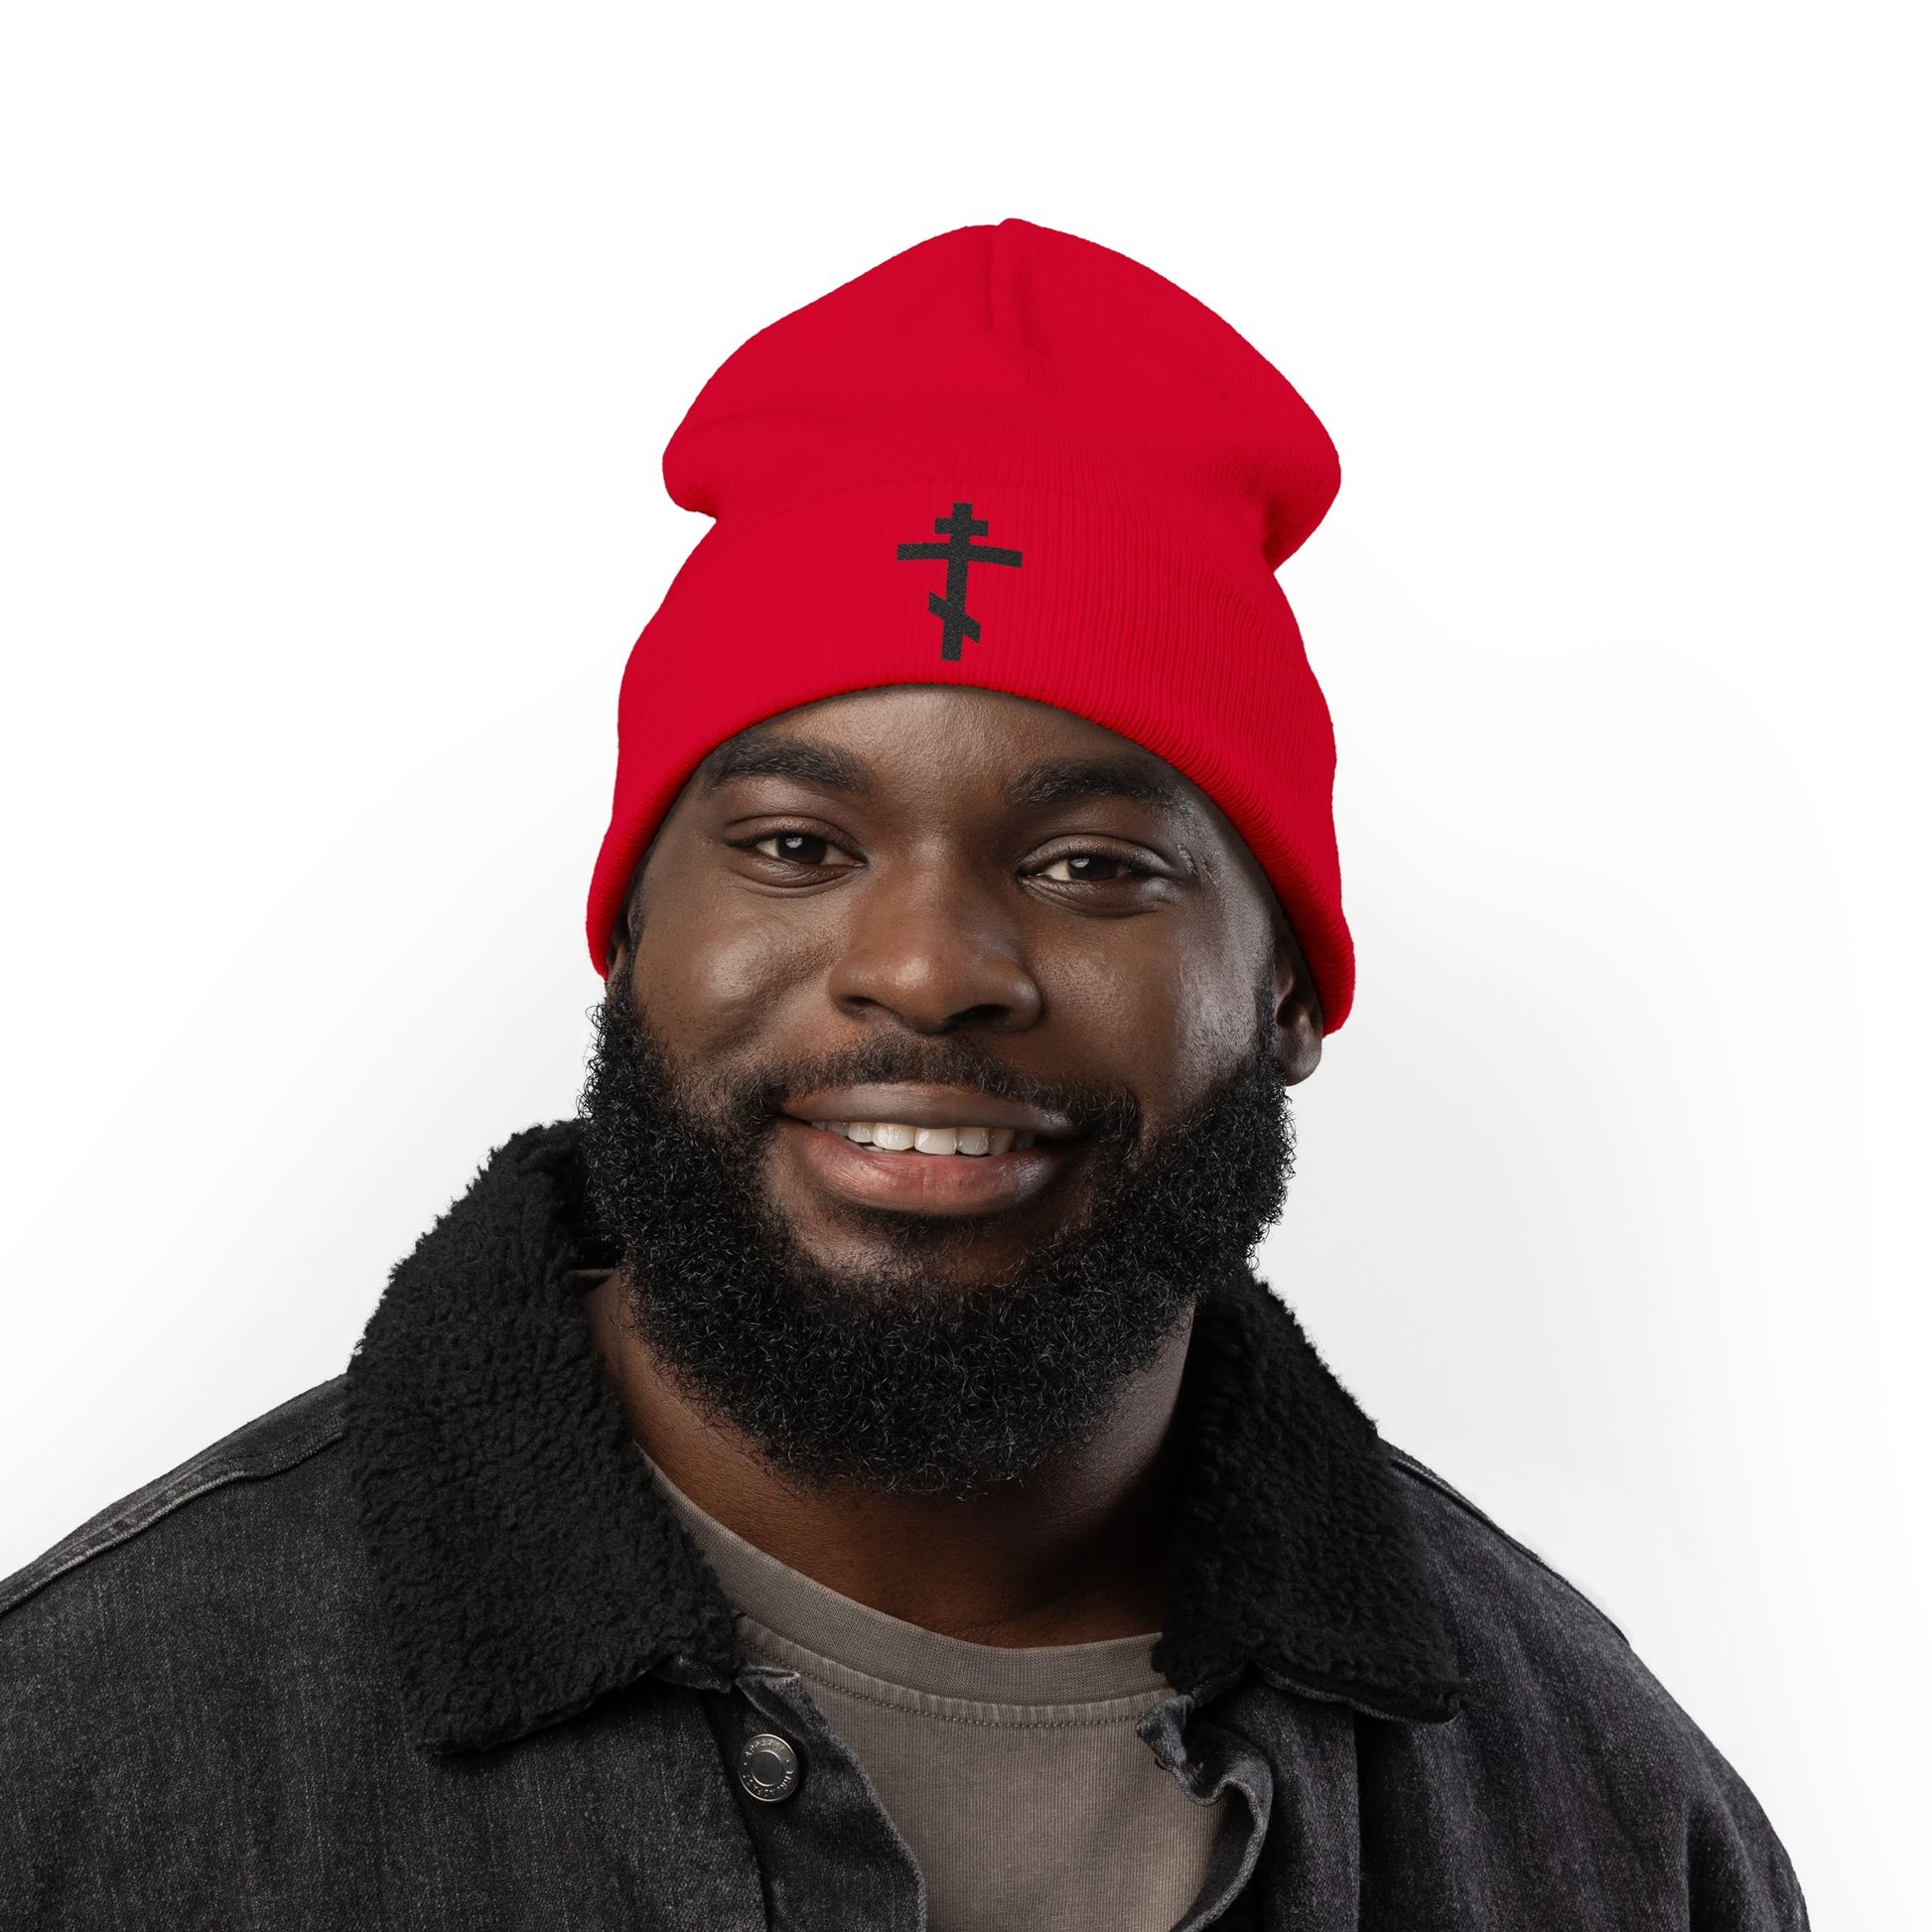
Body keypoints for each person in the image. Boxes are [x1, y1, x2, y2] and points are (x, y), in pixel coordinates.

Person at [0, 218, 1808, 1930]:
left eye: (1093, 864)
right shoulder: (78, 1757)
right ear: (630, 933)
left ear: (1287, 996)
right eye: (796, 845)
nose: (929, 968)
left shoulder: (1604, 1815)